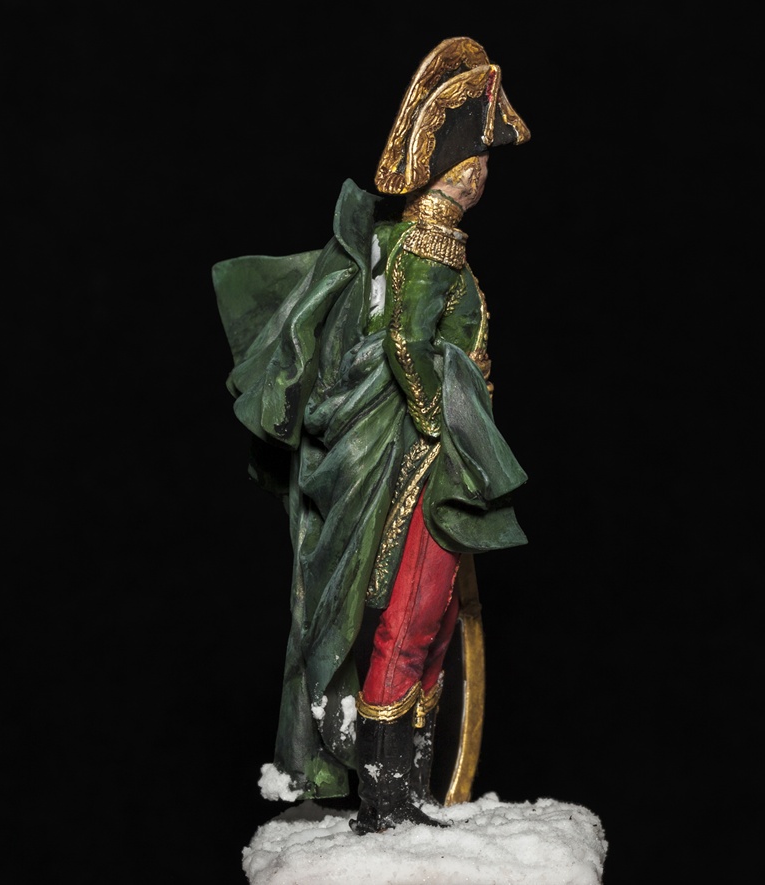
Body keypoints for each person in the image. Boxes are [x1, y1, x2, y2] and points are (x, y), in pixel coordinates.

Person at [213, 36, 531, 834]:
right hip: (428, 461)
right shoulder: (431, 242)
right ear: (458, 172)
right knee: (414, 619)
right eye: (476, 163)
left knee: (433, 625)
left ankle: (407, 793)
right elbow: (407, 344)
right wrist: (436, 424)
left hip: (445, 458)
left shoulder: (419, 239)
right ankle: (385, 806)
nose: (482, 175)